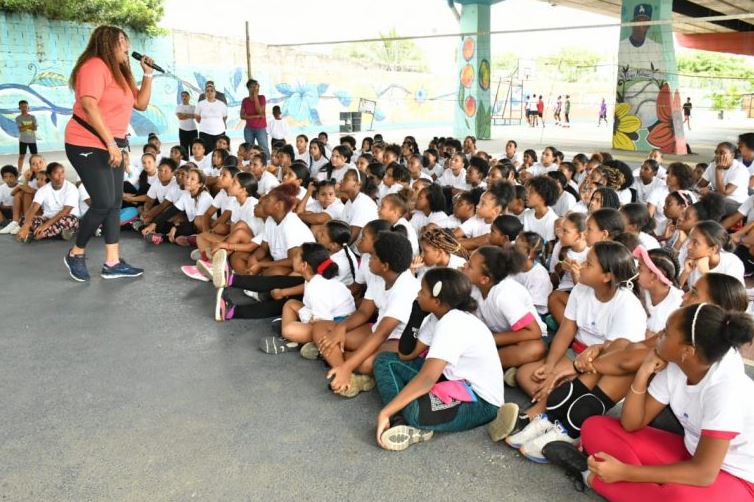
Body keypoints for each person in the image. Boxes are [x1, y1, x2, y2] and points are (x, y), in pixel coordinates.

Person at [545, 303, 754, 501]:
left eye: (666, 332)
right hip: (690, 453)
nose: (657, 336)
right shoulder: (676, 365)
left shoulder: (724, 388)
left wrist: (626, 472)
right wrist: (643, 373)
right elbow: (632, 423)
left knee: (678, 497)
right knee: (595, 427)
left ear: (687, 351)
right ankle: (648, 489)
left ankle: (590, 477)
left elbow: (704, 473)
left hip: (737, 477)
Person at [373, 268, 505, 451]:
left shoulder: (453, 323)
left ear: (436, 301)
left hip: (480, 402)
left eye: (422, 291)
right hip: (451, 382)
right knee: (385, 361)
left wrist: (384, 412)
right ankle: (400, 420)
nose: (417, 294)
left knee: (414, 409)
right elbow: (406, 354)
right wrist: (416, 315)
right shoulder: (439, 317)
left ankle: (404, 419)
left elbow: (427, 379)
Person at [63, 25, 153, 282]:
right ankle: (76, 253)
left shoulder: (121, 72)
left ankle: (112, 262)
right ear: (107, 43)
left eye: (127, 40)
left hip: (111, 143)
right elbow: (89, 105)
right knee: (102, 202)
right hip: (86, 142)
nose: (127, 46)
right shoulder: (94, 66)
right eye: (122, 41)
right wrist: (111, 145)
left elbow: (141, 104)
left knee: (114, 203)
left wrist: (147, 75)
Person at [16, 162, 80, 243]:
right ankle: (57, 233)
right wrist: (26, 225)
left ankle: (36, 234)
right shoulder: (43, 190)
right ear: (49, 175)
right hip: (47, 219)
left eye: (62, 172)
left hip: (67, 218)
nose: (61, 176)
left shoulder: (71, 188)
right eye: (56, 173)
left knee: (68, 221)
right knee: (23, 219)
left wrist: (45, 226)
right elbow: (33, 208)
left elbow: (65, 211)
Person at [617, 3, 665, 78]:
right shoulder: (621, 45)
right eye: (638, 21)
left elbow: (661, 77)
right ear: (632, 23)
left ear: (648, 26)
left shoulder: (657, 48)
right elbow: (619, 76)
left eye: (645, 22)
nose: (640, 25)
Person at [194, 82, 227, 153]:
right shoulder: (200, 104)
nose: (209, 92)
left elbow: (224, 117)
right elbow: (197, 117)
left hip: (219, 132)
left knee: (220, 152)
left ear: (215, 92)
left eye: (212, 90)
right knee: (207, 153)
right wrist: (206, 123)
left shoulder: (221, 104)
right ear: (205, 93)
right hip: (205, 132)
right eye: (207, 91)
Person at [241, 79, 269, 160]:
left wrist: (256, 96)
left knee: (263, 147)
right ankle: (251, 165)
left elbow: (260, 111)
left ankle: (267, 164)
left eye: (256, 87)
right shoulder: (245, 100)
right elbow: (242, 116)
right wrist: (256, 116)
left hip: (260, 128)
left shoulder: (262, 98)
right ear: (248, 88)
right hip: (248, 128)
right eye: (252, 87)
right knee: (249, 148)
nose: (255, 89)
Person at [15, 100, 38, 171]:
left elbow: (35, 128)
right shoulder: (18, 118)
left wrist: (24, 126)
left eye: (25, 106)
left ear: (28, 107)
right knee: (21, 156)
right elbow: (21, 129)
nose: (24, 108)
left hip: (32, 140)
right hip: (23, 140)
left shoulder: (32, 117)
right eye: (22, 106)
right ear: (19, 108)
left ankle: (35, 171)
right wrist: (30, 125)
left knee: (34, 157)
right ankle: (19, 172)